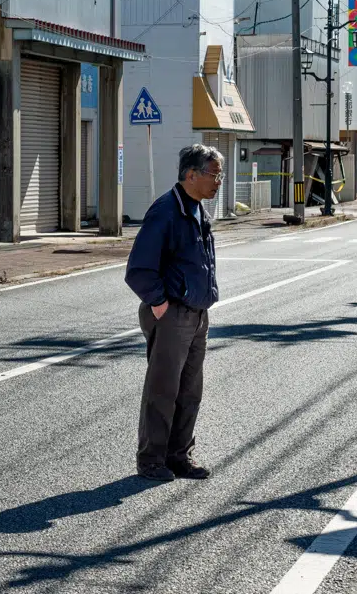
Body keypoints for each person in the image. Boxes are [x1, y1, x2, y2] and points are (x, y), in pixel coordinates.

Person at [123, 143, 222, 482]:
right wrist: (160, 303)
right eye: (214, 174)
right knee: (163, 390)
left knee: (190, 390)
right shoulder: (166, 210)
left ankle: (179, 456)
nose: (218, 181)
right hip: (172, 314)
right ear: (191, 175)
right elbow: (139, 269)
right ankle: (151, 460)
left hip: (197, 314)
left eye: (220, 175)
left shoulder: (197, 210)